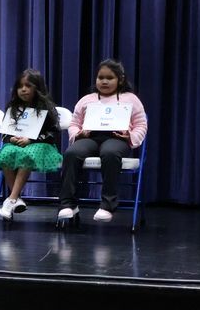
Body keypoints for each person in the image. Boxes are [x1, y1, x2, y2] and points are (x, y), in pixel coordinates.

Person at [58, 59, 148, 223]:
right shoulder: (87, 99)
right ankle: (68, 204)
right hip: (90, 138)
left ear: (120, 79)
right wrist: (78, 134)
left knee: (110, 153)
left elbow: (141, 124)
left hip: (117, 138)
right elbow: (74, 123)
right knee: (71, 153)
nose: (104, 81)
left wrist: (130, 137)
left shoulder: (131, 99)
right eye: (101, 78)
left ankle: (107, 205)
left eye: (110, 78)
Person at [0, 69, 62, 220]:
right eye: (20, 86)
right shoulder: (13, 107)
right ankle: (16, 199)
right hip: (17, 144)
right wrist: (11, 138)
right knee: (6, 153)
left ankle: (11, 199)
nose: (23, 89)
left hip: (41, 145)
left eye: (28, 86)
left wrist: (31, 140)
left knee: (27, 154)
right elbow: (5, 133)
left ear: (37, 88)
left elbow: (53, 133)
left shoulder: (46, 108)